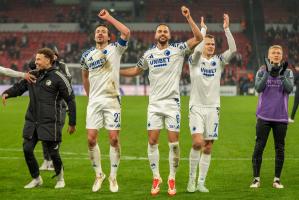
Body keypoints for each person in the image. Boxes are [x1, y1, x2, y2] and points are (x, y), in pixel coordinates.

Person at [120, 6, 202, 196]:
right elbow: (135, 70)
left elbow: (198, 39)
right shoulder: (148, 55)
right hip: (154, 104)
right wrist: (116, 72)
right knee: (152, 141)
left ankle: (172, 178)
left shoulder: (178, 50)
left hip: (172, 103)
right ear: (155, 35)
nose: (163, 33)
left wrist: (189, 17)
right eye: (160, 31)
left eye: (165, 31)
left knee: (174, 143)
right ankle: (156, 177)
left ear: (169, 35)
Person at [2, 48, 76, 189]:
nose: (35, 62)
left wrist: (72, 122)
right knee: (27, 149)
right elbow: (19, 87)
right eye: (35, 59)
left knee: (53, 153)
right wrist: (7, 93)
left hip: (50, 121)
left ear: (48, 60)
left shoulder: (59, 77)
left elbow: (71, 99)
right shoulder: (32, 75)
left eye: (38, 59)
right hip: (32, 120)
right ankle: (36, 178)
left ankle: (60, 179)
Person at [80, 9, 130, 193]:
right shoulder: (87, 55)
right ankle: (99, 175)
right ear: (94, 36)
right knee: (91, 139)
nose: (100, 33)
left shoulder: (116, 49)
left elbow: (126, 32)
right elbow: (84, 76)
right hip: (94, 101)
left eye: (103, 32)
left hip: (112, 100)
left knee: (114, 139)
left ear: (109, 37)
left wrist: (108, 18)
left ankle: (113, 177)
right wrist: (89, 95)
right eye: (97, 32)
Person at [186, 14, 236, 193]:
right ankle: (191, 180)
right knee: (197, 143)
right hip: (196, 107)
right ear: (203, 45)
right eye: (208, 43)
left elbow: (233, 49)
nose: (211, 46)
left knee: (208, 146)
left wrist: (227, 29)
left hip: (213, 108)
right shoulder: (194, 60)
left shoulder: (219, 61)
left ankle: (201, 182)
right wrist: (203, 32)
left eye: (213, 44)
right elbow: (197, 50)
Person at [250, 45, 293, 189]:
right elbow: (258, 88)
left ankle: (277, 180)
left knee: (280, 149)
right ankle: (256, 179)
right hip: (264, 116)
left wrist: (280, 74)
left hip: (281, 117)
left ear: (282, 56)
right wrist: (268, 72)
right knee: (258, 148)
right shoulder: (261, 71)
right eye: (273, 52)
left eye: (278, 53)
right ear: (269, 55)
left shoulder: (288, 72)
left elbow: (289, 88)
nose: (276, 54)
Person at [37, 47, 72, 171]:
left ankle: (53, 159)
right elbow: (33, 66)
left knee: (56, 133)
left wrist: (55, 75)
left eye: (55, 54)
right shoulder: (41, 67)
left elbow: (68, 79)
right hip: (45, 105)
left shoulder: (62, 66)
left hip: (60, 104)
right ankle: (46, 160)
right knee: (43, 133)